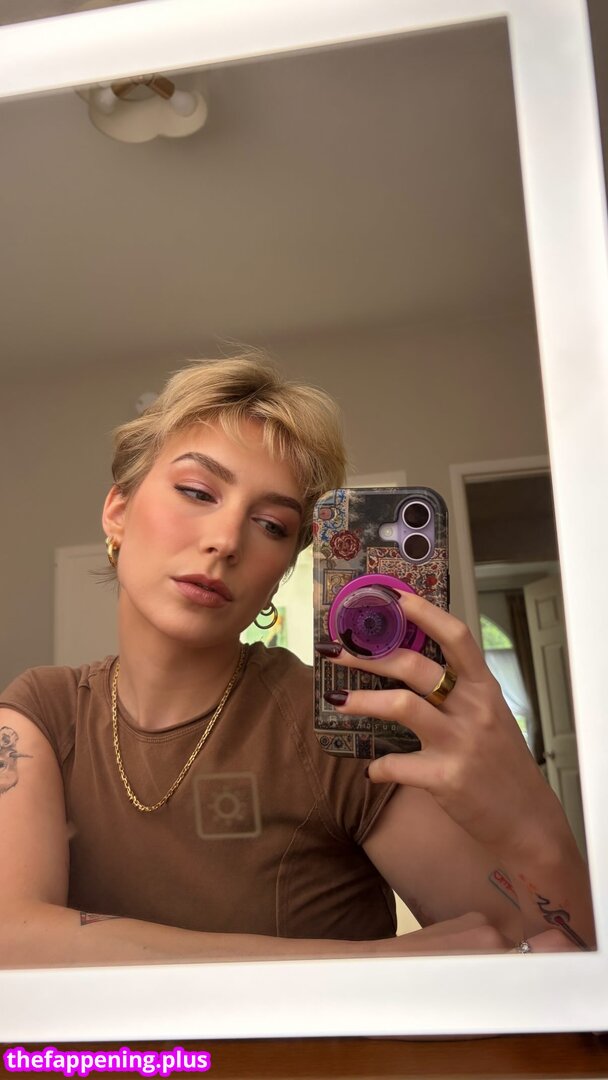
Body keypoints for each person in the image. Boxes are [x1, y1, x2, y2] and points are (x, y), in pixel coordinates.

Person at [0, 354, 594, 966]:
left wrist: (534, 824)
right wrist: (360, 966)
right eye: (197, 492)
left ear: (284, 569)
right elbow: (11, 939)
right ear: (118, 512)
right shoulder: (43, 714)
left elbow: (546, 956)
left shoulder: (342, 725)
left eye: (272, 525)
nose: (226, 541)